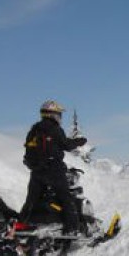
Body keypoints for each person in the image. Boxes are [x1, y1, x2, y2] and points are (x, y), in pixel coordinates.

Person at [19, 100, 88, 233]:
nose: (60, 117)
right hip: (54, 170)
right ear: (53, 114)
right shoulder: (54, 129)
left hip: (36, 171)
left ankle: (21, 226)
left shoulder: (34, 129)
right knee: (66, 198)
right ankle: (72, 229)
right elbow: (66, 145)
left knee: (31, 201)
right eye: (59, 114)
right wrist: (80, 141)